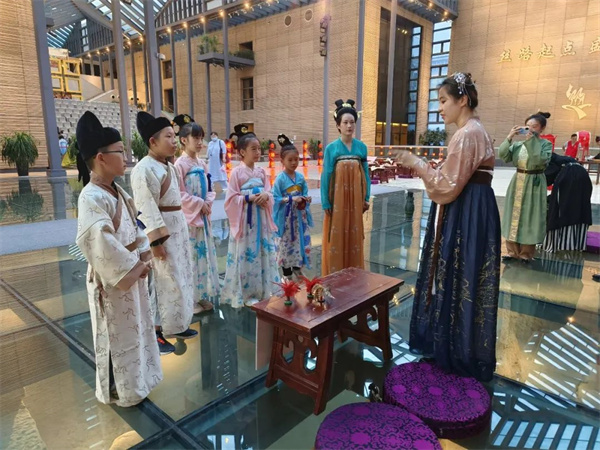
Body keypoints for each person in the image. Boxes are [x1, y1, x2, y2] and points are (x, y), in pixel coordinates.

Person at [397, 72, 500, 382]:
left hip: (466, 211)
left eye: (443, 101)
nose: (440, 108)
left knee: (458, 275)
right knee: (466, 277)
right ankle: (462, 346)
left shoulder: (467, 134)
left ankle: (454, 350)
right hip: (474, 209)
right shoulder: (476, 131)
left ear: (462, 100)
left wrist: (416, 163)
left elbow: (446, 185)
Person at [75, 111, 162, 407]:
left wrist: (144, 254)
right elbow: (99, 240)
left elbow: (134, 227)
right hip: (113, 280)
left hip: (131, 272)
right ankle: (120, 389)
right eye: (120, 151)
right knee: (117, 335)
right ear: (101, 157)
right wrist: (135, 266)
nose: (126, 157)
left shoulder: (117, 191)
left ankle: (138, 381)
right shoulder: (90, 197)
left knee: (135, 329)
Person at [132, 111, 198, 356]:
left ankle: (176, 324)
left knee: (178, 277)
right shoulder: (143, 169)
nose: (174, 141)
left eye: (174, 136)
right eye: (168, 137)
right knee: (160, 280)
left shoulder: (169, 166)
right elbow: (145, 207)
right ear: (153, 141)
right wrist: (155, 241)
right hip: (162, 234)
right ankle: (156, 331)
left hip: (177, 229)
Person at [222, 127, 280, 308]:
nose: (258, 152)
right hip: (245, 223)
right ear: (242, 152)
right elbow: (230, 200)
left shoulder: (261, 172)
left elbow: (270, 192)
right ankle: (247, 293)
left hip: (261, 220)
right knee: (246, 254)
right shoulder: (237, 173)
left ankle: (264, 289)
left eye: (259, 148)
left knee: (262, 253)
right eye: (253, 149)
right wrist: (248, 198)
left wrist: (266, 196)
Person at [173, 114, 219, 313]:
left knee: (203, 257)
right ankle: (189, 299)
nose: (200, 142)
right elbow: (179, 193)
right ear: (184, 140)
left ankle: (201, 295)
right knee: (190, 258)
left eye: (201, 138)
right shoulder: (179, 165)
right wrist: (199, 204)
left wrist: (207, 202)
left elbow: (211, 188)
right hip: (190, 220)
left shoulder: (202, 164)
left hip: (203, 218)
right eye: (196, 138)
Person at [320, 99, 370, 276]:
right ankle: (336, 276)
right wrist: (326, 202)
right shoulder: (331, 149)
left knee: (354, 235)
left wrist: (366, 197)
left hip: (356, 200)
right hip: (337, 200)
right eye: (345, 122)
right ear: (338, 126)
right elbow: (326, 175)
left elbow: (365, 174)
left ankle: (354, 275)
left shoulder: (361, 147)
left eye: (352, 122)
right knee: (337, 236)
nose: (349, 126)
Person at [499, 112, 553, 262]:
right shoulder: (518, 145)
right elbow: (503, 155)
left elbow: (539, 160)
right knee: (513, 215)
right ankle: (512, 251)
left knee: (531, 216)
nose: (530, 129)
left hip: (534, 183)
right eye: (527, 126)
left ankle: (526, 254)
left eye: (534, 126)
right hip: (518, 181)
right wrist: (509, 137)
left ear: (541, 129)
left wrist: (531, 142)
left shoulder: (545, 144)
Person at [272, 133, 313, 280]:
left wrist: (306, 199)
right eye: (290, 160)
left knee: (299, 243)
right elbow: (275, 198)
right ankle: (287, 273)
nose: (294, 163)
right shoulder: (280, 179)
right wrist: (290, 199)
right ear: (282, 161)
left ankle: (297, 268)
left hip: (299, 218)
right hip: (286, 219)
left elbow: (305, 192)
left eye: (296, 159)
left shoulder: (300, 177)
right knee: (285, 245)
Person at [543, 153, 592, 252]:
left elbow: (546, 179)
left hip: (568, 175)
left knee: (559, 208)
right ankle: (576, 243)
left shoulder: (547, 160)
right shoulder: (557, 158)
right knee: (580, 207)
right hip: (583, 174)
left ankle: (558, 243)